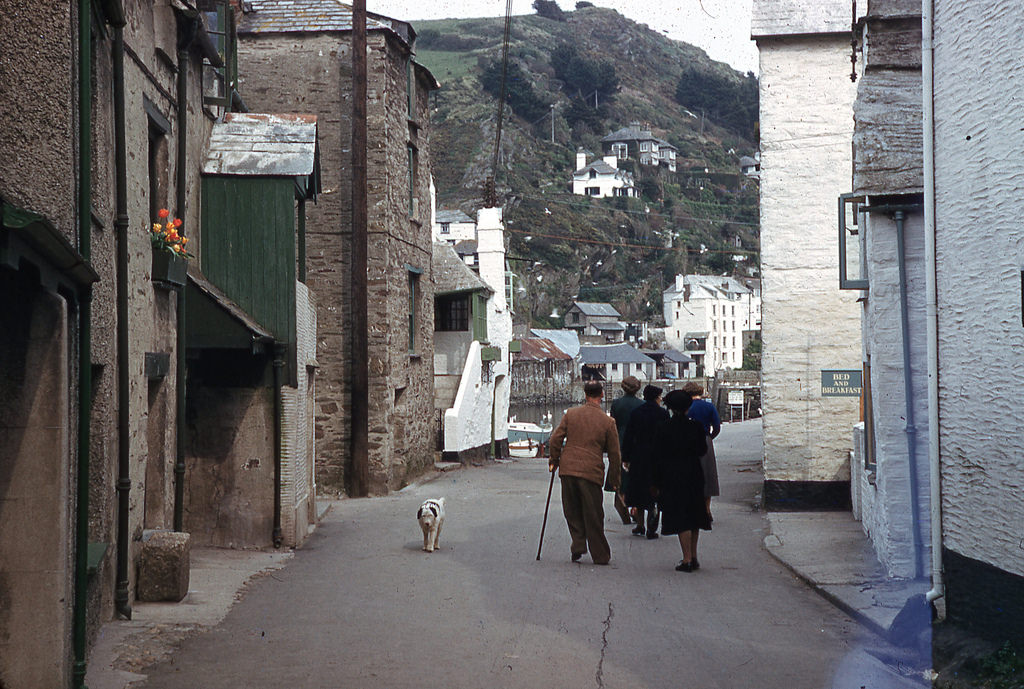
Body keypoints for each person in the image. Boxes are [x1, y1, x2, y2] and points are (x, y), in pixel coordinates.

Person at [548, 381, 622, 565]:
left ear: (585, 394)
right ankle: (600, 554)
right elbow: (615, 454)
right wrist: (615, 480)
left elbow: (555, 439)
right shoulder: (608, 421)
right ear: (602, 395)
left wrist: (554, 460)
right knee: (594, 513)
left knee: (572, 510)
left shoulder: (571, 414)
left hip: (568, 469)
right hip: (591, 471)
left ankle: (579, 543)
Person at [655, 390, 709, 572]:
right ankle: (694, 556)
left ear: (670, 408)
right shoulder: (696, 427)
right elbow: (702, 450)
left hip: (672, 475)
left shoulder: (663, 427)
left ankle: (686, 559)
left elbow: (658, 456)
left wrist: (656, 481)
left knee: (681, 516)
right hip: (693, 473)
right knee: (694, 514)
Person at [621, 384, 668, 539]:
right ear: (656, 397)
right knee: (654, 490)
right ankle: (652, 527)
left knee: (639, 489)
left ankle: (640, 525)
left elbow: (629, 437)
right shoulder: (663, 414)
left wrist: (626, 457)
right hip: (658, 456)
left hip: (639, 454)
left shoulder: (636, 413)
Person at [609, 375, 643, 526]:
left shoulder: (616, 404)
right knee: (636, 476)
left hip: (619, 440)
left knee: (621, 476)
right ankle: (635, 507)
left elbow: (613, 423)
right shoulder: (641, 404)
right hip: (637, 441)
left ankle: (622, 502)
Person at [683, 381, 721, 520]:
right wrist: (710, 437)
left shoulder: (686, 407)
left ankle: (692, 507)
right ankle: (706, 509)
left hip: (688, 441)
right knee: (708, 475)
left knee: (690, 474)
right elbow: (717, 426)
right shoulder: (709, 406)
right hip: (705, 440)